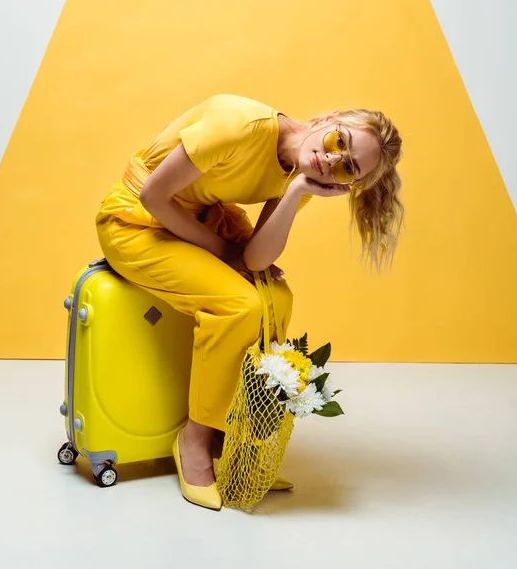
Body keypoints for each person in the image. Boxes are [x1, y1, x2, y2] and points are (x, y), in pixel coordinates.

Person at [95, 94, 403, 510]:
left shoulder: (306, 170)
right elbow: (153, 196)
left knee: (276, 295)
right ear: (328, 118)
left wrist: (295, 192)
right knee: (238, 304)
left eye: (348, 166)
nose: (333, 161)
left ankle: (235, 437)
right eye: (338, 141)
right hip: (137, 221)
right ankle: (194, 440)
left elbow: (258, 259)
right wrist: (224, 252)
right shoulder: (236, 124)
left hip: (197, 222)